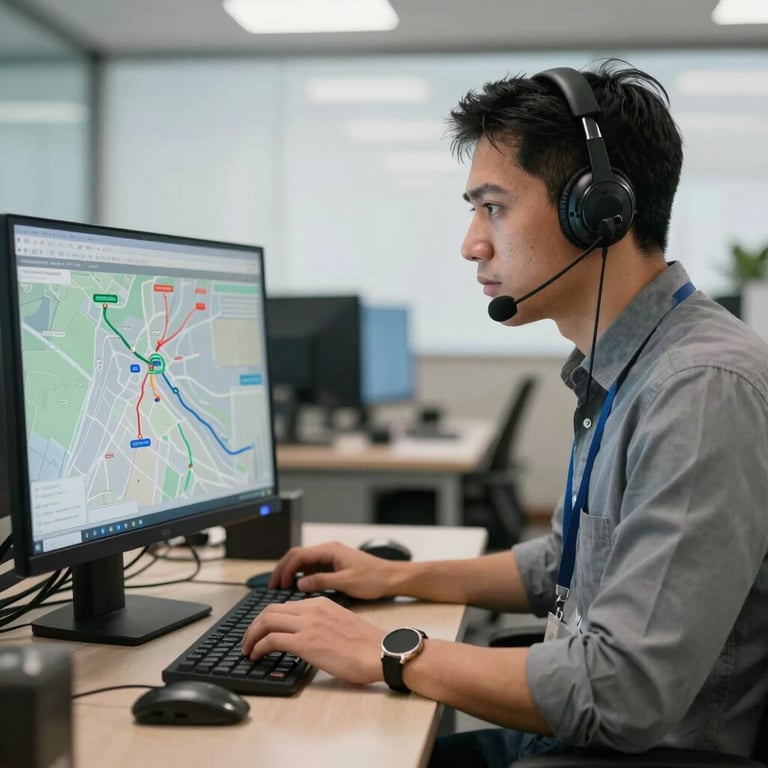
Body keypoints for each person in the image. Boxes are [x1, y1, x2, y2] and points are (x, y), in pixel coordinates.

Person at [242, 60, 768, 766]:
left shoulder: (700, 388)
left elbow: (627, 691)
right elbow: (567, 562)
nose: (471, 243)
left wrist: (389, 649)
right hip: (575, 733)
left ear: (599, 209)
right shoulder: (626, 367)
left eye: (493, 206)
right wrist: (394, 578)